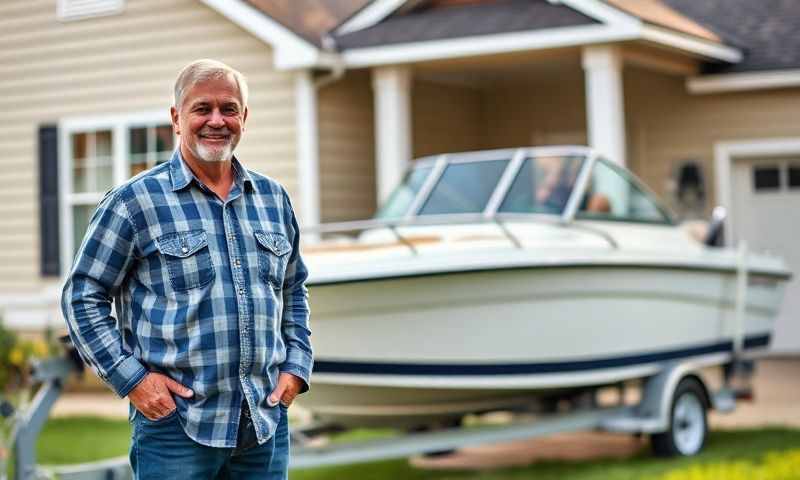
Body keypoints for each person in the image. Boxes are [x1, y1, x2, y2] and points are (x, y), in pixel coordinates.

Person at [61, 59, 312, 479]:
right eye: (202, 109)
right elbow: (82, 296)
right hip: (175, 428)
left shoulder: (273, 199)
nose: (217, 120)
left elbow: (294, 288)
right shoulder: (133, 202)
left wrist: (296, 366)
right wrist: (134, 381)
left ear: (244, 118)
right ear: (177, 118)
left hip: (264, 422)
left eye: (229, 109)